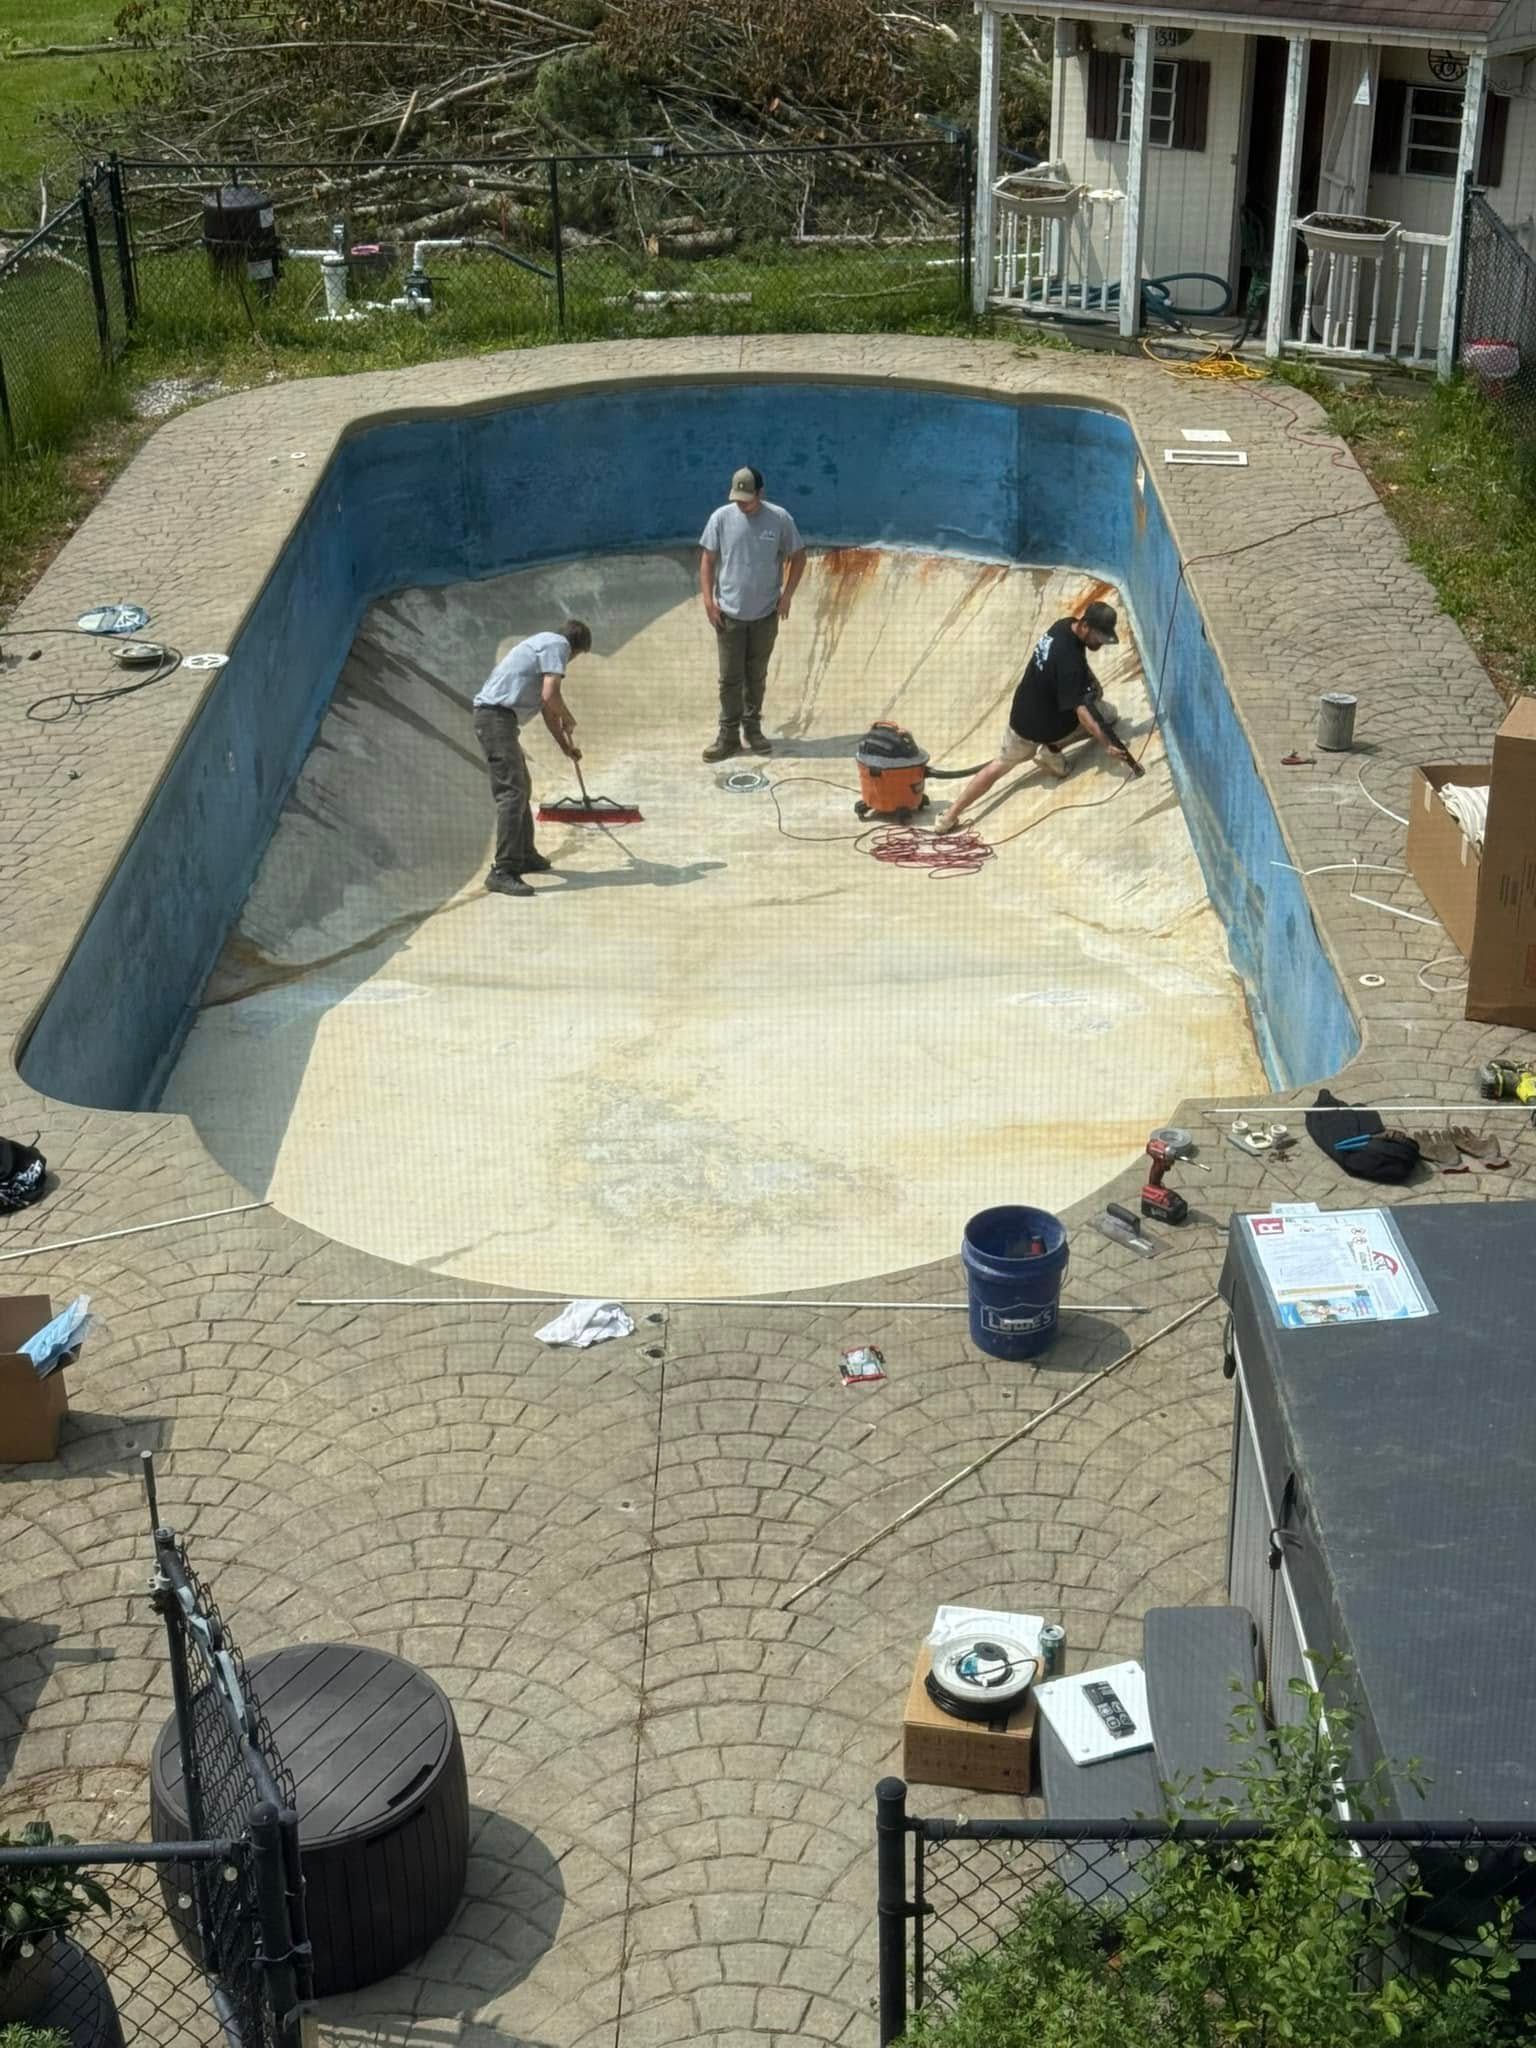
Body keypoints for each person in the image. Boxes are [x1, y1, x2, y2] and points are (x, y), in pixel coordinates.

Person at [934, 600, 1141, 835]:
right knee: (1108, 715)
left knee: (999, 765)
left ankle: (948, 818)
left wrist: (1092, 684)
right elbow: (1083, 713)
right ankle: (1052, 749)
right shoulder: (1070, 663)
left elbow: (1076, 665)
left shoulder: (1063, 626)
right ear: (1085, 626)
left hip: (1020, 719)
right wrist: (1107, 744)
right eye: (1099, 637)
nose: (1100, 643)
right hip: (1049, 725)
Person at [471, 618, 591, 898]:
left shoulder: (544, 648)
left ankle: (524, 853)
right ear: (575, 648)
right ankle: (503, 871)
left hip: (500, 720)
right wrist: (569, 717)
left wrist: (565, 746)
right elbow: (551, 695)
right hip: (495, 718)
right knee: (512, 793)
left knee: (522, 787)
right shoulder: (557, 645)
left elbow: (548, 710)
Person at [698, 464, 806, 762]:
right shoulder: (720, 518)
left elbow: (798, 557)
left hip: (765, 615)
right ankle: (728, 736)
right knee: (729, 679)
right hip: (729, 615)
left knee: (756, 675)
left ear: (761, 493)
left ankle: (753, 729)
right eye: (737, 499)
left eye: (747, 499)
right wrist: (708, 601)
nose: (742, 505)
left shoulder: (779, 519)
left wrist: (787, 595)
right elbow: (707, 560)